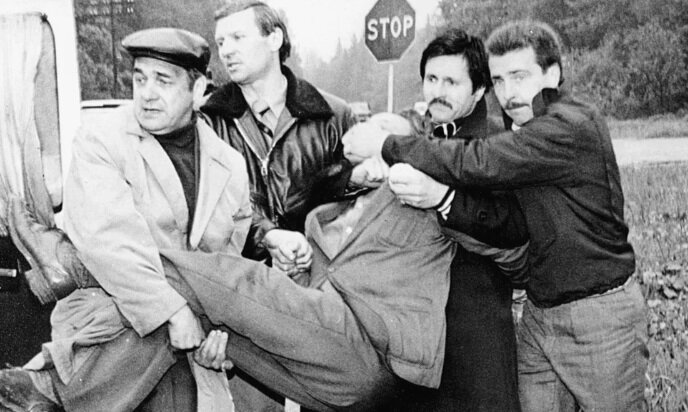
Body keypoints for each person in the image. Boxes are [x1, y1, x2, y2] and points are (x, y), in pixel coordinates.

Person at [343, 20, 648, 412]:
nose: (509, 93)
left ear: (552, 74)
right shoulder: (522, 125)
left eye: (520, 77)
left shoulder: (569, 125)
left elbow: (480, 160)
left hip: (599, 315)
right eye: (500, 80)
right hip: (540, 314)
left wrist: (387, 144)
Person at [1, 28, 252, 412]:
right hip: (111, 327)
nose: (146, 93)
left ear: (198, 89)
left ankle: (49, 391)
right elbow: (111, 244)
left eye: (163, 81)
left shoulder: (231, 168)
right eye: (139, 78)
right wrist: (174, 311)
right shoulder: (102, 140)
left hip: (187, 350)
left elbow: (226, 270)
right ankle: (52, 391)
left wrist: (219, 337)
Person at [386, 28, 526, 411]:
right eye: (431, 79)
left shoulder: (498, 144)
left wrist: (443, 199)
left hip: (475, 330)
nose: (438, 91)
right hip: (418, 331)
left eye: (451, 82)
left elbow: (510, 227)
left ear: (479, 90)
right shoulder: (418, 137)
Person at [201, 0, 354, 273]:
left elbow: (355, 203)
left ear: (274, 38)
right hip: (242, 278)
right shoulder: (208, 120)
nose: (226, 51)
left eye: (238, 37)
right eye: (221, 42)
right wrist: (268, 237)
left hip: (320, 277)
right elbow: (211, 208)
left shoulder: (333, 116)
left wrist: (313, 249)